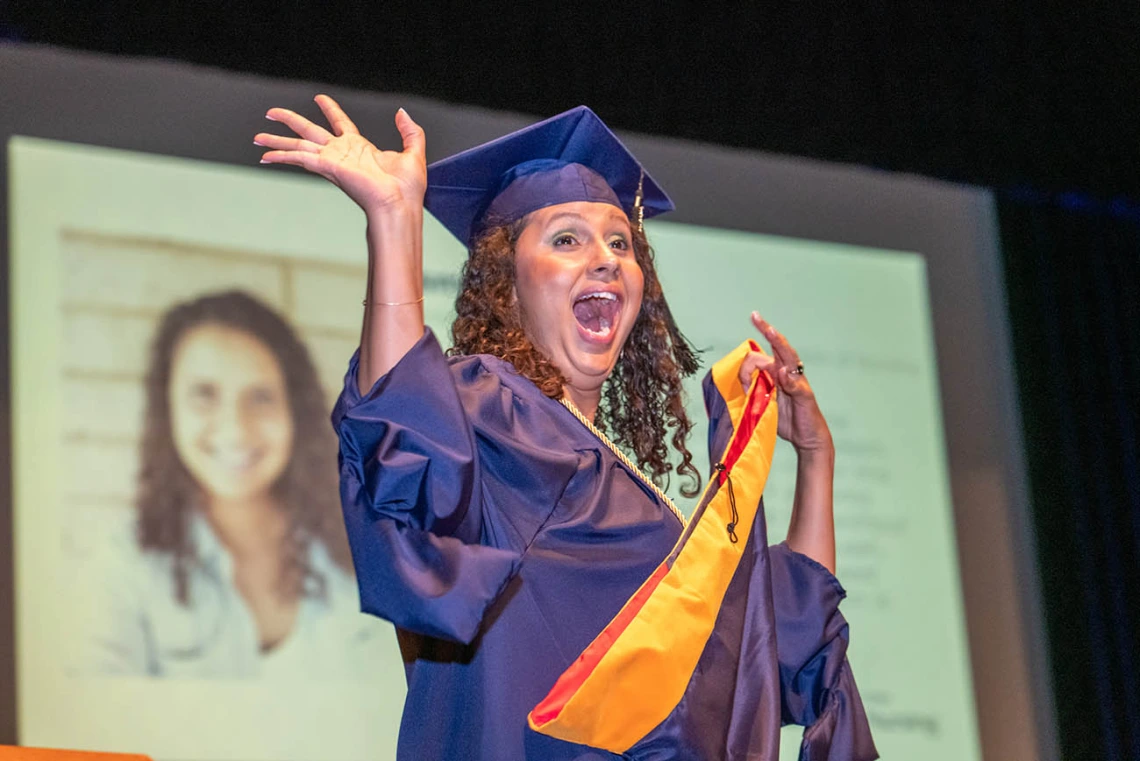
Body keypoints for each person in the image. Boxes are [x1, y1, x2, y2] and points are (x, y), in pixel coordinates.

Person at [256, 98, 877, 759]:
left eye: (620, 242)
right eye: (566, 238)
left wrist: (815, 457)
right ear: (507, 287)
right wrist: (394, 219)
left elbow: (784, 640)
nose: (608, 259)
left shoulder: (640, 497)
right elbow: (403, 447)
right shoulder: (492, 412)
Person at [75, 290, 392, 679]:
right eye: (204, 395)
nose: (235, 429)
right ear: (168, 409)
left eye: (260, 397)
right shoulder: (121, 567)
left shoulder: (362, 548)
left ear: (295, 410)